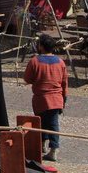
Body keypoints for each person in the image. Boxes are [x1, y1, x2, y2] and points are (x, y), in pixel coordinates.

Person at [23, 34, 68, 162]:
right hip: (56, 97)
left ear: (41, 46)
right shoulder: (61, 62)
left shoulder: (35, 61)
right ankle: (51, 148)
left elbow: (27, 78)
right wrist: (64, 98)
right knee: (52, 123)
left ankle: (48, 147)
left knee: (41, 122)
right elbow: (64, 82)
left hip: (41, 98)